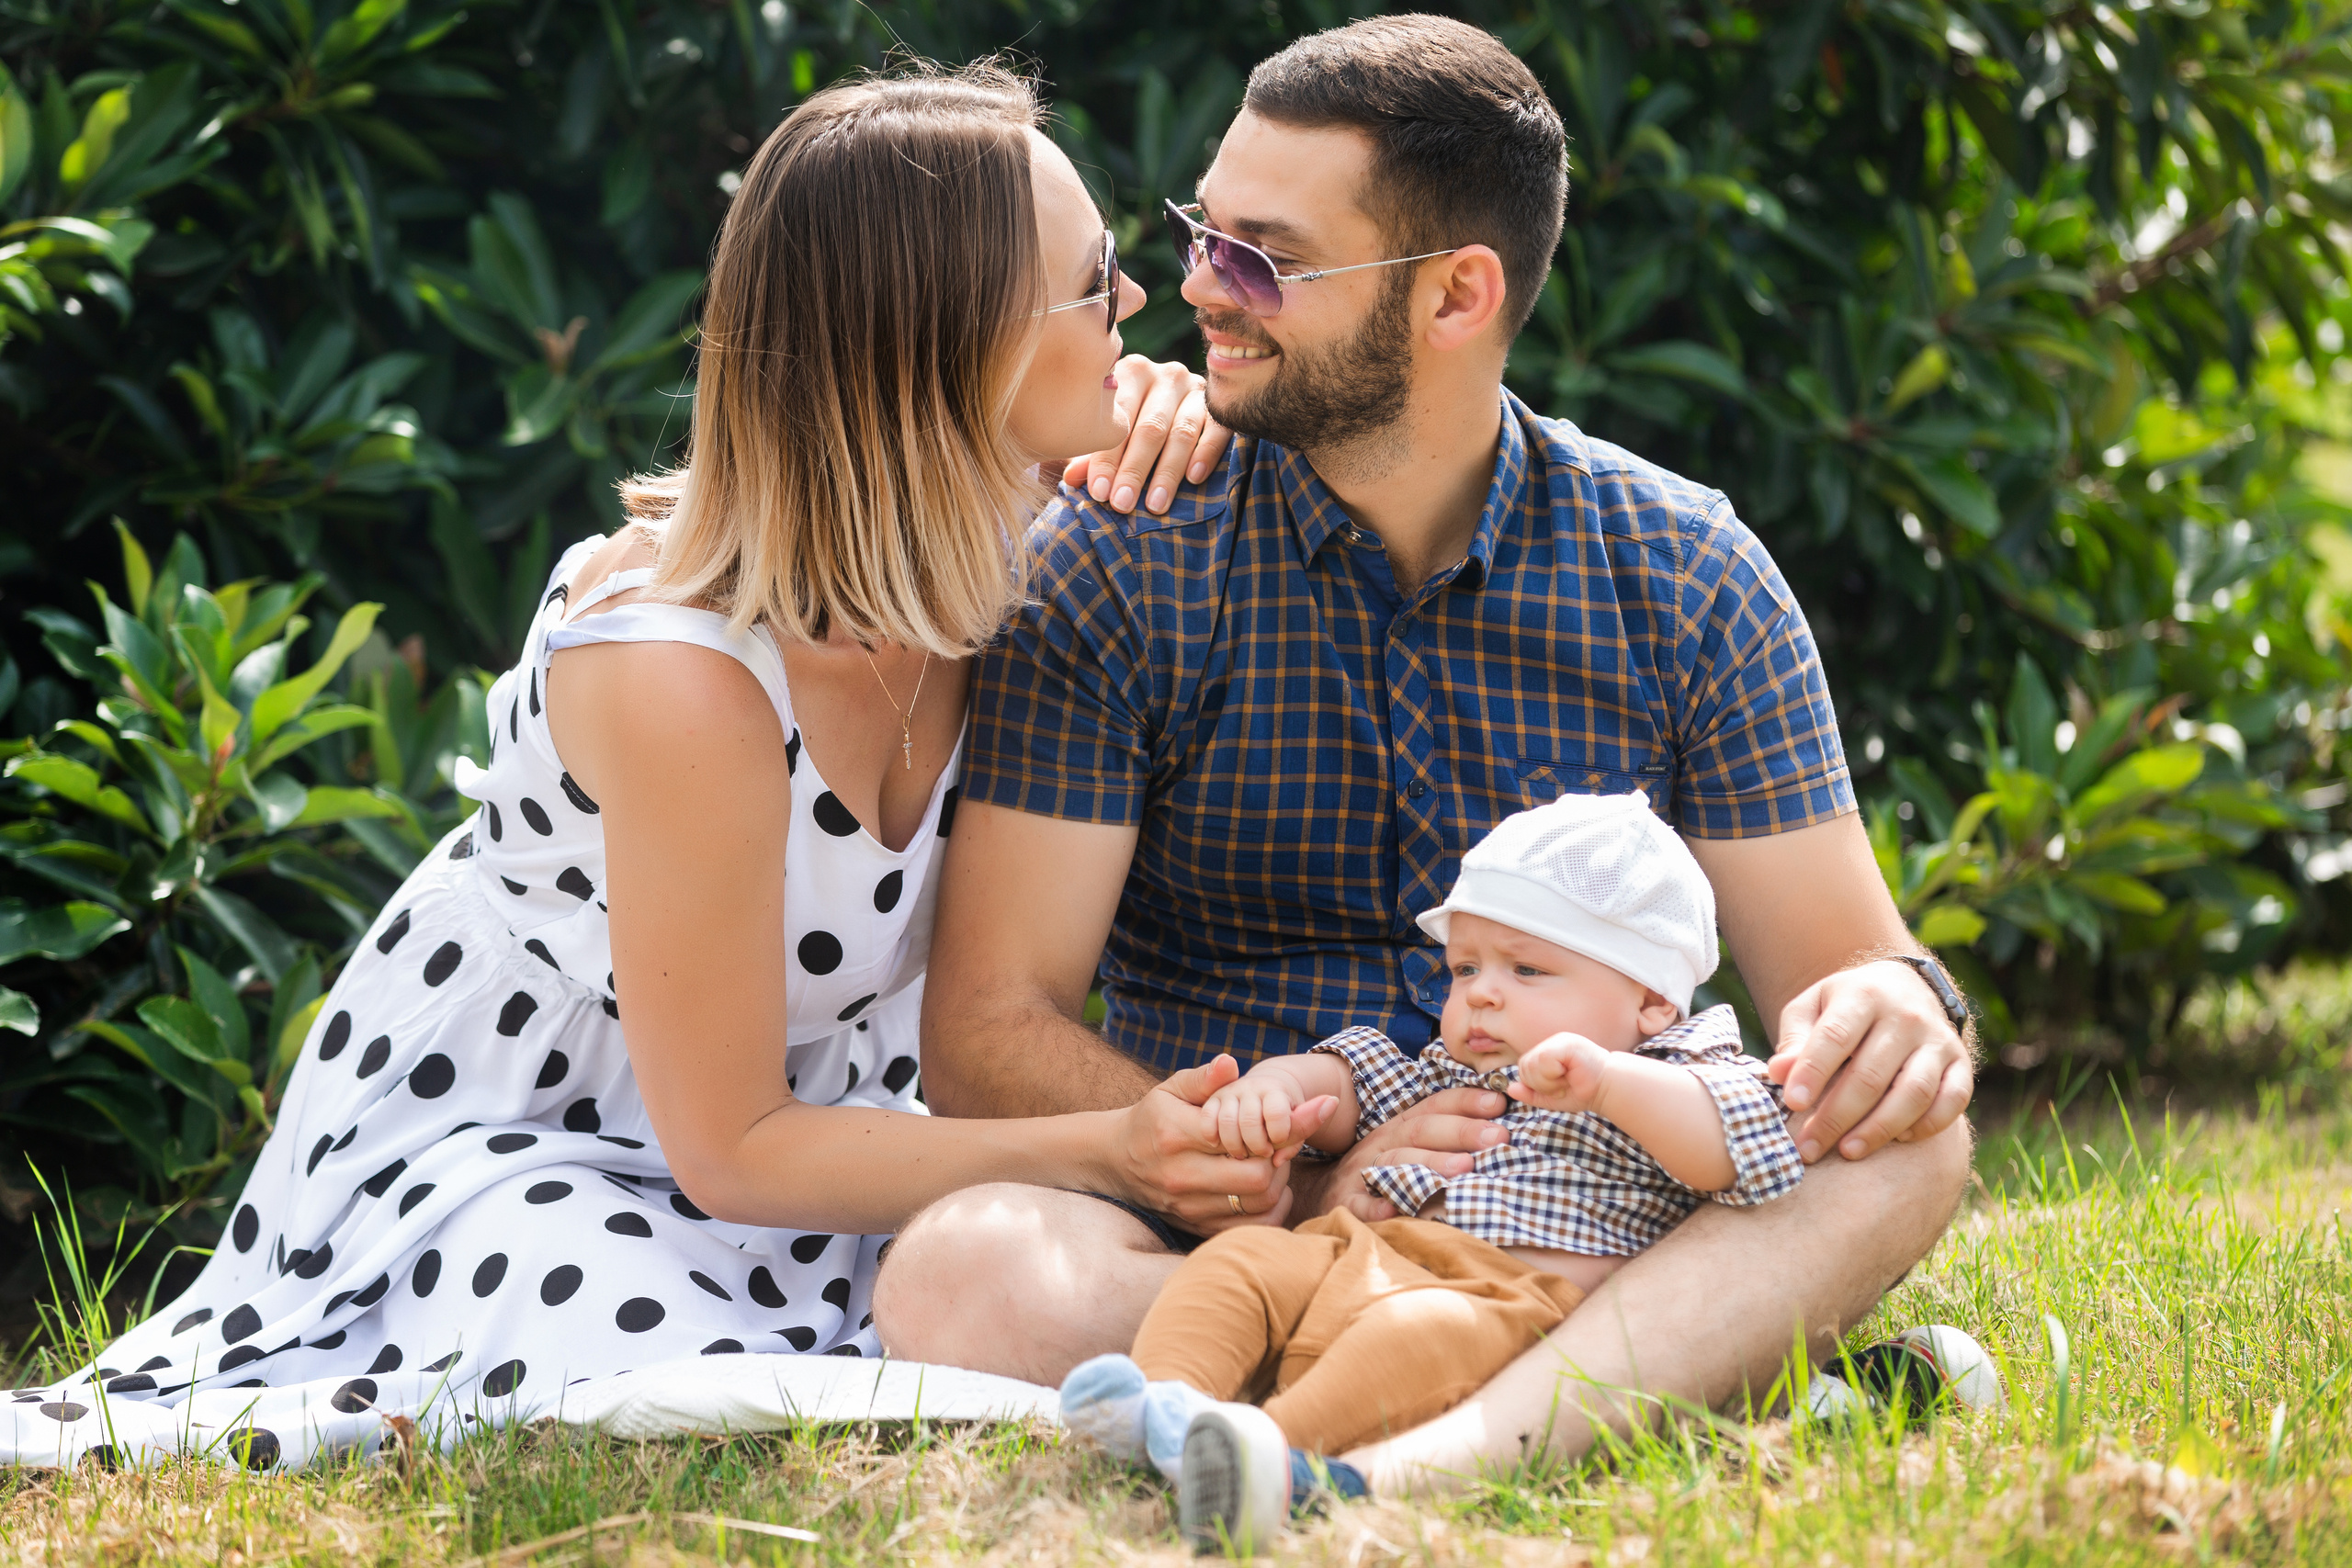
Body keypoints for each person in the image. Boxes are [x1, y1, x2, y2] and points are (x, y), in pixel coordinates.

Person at [0, 61, 1250, 1473]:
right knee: (686, 1370)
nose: (1134, 301)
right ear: (957, 355)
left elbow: (1144, 423)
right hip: (530, 1145)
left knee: (974, 1299)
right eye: (1091, 284)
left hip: (827, 1137)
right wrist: (1107, 1143)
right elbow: (732, 1147)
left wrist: (1176, 413)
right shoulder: (679, 667)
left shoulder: (1011, 542)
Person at [873, 15, 1978, 1495]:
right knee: (962, 1267)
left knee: (1914, 1144)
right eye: (1204, 234)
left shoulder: (1685, 575)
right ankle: (1670, 1376)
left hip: (1589, 1218)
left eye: (1263, 258)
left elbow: (1853, 986)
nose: (1198, 288)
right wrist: (1299, 1165)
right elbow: (987, 1033)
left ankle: (1410, 1462)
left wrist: (1901, 1011)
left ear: (1458, 294)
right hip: (1240, 1224)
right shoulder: (1123, 558)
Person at [1057, 790, 1806, 1547]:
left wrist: (1610, 1083)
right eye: (1465, 966)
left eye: (1527, 967)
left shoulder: (1678, 1072)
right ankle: (1167, 1403)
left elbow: (1736, 1153)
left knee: (1412, 1336)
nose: (1480, 992)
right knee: (1238, 1262)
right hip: (1358, 1252)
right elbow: (1354, 1080)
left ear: (1650, 999)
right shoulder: (1456, 1072)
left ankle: (1271, 1454)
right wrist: (1278, 1087)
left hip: (1503, 1302)